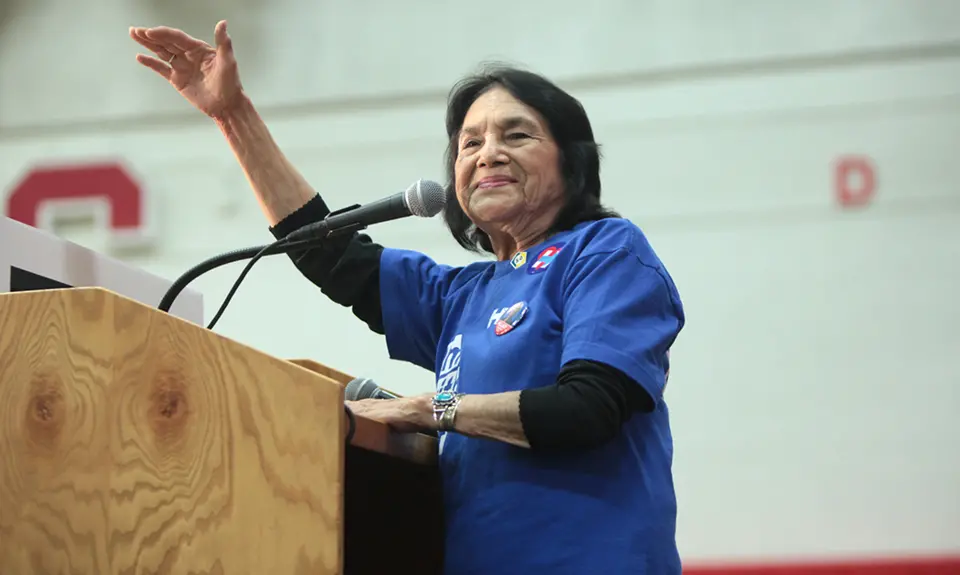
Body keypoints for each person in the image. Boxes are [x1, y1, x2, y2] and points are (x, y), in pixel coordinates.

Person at [131, 20, 686, 575]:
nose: (488, 154)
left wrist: (428, 408)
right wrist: (233, 115)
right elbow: (328, 251)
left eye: (516, 136)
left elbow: (587, 408)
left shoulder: (606, 250)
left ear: (572, 162)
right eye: (471, 143)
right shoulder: (461, 297)